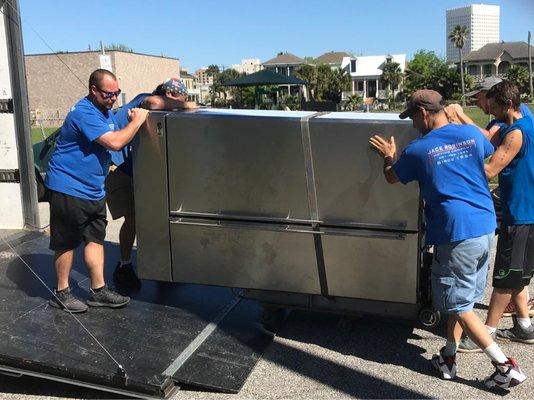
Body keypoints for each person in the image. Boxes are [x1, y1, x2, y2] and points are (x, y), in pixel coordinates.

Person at [369, 89, 525, 389]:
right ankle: (449, 357)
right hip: (483, 227)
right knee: (461, 299)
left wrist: (389, 156)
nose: (413, 124)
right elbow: (483, 156)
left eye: (413, 117)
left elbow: (392, 177)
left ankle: (505, 367)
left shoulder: (418, 149)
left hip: (455, 233)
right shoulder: (471, 134)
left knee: (458, 304)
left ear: (424, 113)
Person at [45, 69, 149, 313]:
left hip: (93, 189)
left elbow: (148, 100)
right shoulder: (84, 113)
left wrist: (135, 114)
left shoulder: (104, 112)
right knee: (66, 242)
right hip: (68, 187)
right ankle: (61, 292)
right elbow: (114, 142)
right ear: (93, 90)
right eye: (108, 93)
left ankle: (98, 291)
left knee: (95, 239)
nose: (113, 98)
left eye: (117, 93)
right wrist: (137, 121)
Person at [445, 77, 534, 322]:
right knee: (518, 275)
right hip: (524, 210)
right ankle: (524, 325)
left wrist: (449, 165)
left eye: (494, 107)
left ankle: (488, 332)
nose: (490, 111)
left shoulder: (517, 133)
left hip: (520, 212)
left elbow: (489, 171)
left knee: (505, 278)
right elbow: (488, 139)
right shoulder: (520, 123)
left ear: (507, 104)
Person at [106, 78, 197, 290]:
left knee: (155, 216)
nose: (177, 105)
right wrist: (186, 105)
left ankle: (161, 265)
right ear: (168, 93)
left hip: (138, 169)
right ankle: (124, 266)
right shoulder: (144, 100)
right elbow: (156, 103)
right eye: (176, 100)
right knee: (133, 219)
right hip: (118, 169)